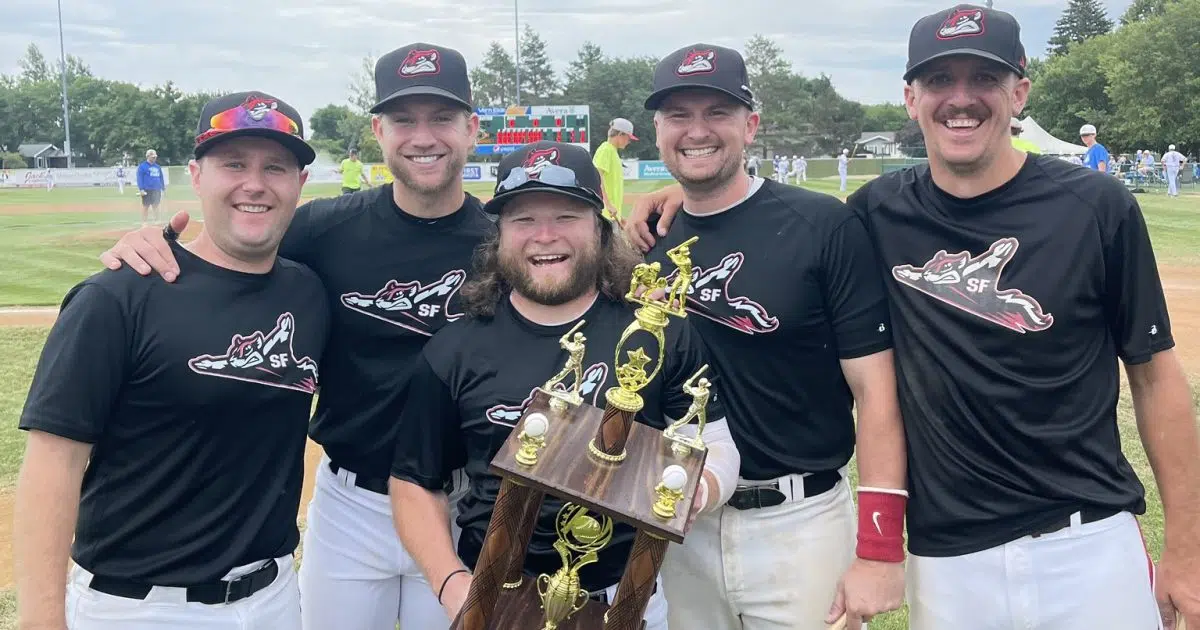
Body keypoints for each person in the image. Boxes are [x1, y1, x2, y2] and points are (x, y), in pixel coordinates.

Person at [628, 5, 1200, 629]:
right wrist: (682, 197)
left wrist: (1189, 551)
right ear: (909, 97)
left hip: (1087, 539)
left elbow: (1154, 376)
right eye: (938, 81)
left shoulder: (1096, 206)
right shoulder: (875, 213)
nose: (960, 99)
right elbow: (754, 216)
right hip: (948, 552)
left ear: (1020, 92)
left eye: (983, 78)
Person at [95, 42, 494, 630]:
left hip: (467, 507)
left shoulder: (509, 241)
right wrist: (149, 244)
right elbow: (230, 247)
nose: (423, 136)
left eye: (442, 118)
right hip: (353, 505)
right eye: (404, 120)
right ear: (379, 130)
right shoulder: (322, 229)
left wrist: (672, 198)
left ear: (471, 129)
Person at [389, 140, 743, 628]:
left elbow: (719, 445)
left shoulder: (658, 333)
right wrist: (452, 584)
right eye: (524, 219)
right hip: (492, 596)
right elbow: (414, 481)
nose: (545, 236)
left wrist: (690, 492)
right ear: (500, 236)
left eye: (567, 216)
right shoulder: (455, 349)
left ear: (599, 229)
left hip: (626, 600)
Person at [14, 90, 328, 630]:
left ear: (299, 185)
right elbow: (52, 464)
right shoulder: (118, 296)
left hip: (274, 598)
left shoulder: (309, 293)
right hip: (139, 609)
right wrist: (42, 621)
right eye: (233, 163)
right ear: (196, 176)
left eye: (275, 167)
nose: (255, 183)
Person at [622, 42, 908, 629]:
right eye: (678, 115)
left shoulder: (822, 226)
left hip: (796, 522)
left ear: (750, 125)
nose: (696, 130)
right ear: (657, 130)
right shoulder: (639, 244)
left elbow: (877, 392)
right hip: (676, 523)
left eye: (716, 113)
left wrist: (879, 548)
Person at [592, 117, 637, 222]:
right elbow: (597, 177)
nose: (629, 141)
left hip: (611, 214)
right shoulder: (606, 149)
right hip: (606, 214)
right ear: (620, 134)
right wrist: (607, 205)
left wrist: (620, 217)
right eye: (628, 138)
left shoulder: (612, 151)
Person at [137, 149, 167, 225]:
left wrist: (163, 187)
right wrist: (141, 189)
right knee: (146, 206)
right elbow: (139, 178)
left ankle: (157, 220)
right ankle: (144, 222)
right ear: (148, 156)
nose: (154, 158)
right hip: (147, 189)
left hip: (156, 189)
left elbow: (161, 177)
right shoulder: (142, 166)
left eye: (155, 157)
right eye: (153, 157)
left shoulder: (158, 167)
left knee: (156, 205)